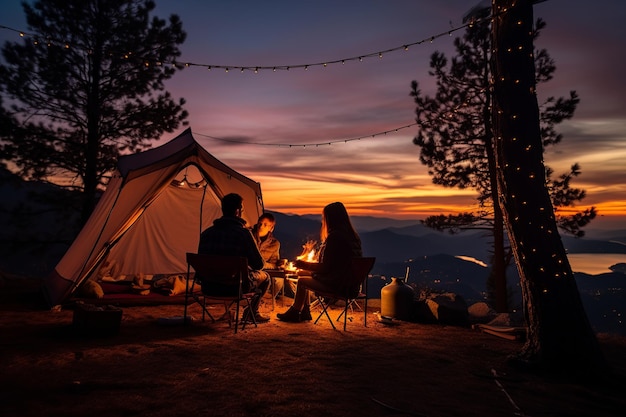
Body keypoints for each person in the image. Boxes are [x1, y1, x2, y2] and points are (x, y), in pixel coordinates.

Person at [276, 202, 362, 323]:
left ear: (331, 219)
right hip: (349, 283)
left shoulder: (335, 238)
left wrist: (303, 264)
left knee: (301, 280)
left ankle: (295, 312)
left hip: (339, 285)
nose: (323, 221)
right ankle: (305, 311)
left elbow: (325, 268)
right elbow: (334, 265)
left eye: (324, 218)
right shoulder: (352, 237)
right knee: (302, 273)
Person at [198, 193, 271, 323]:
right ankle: (251, 312)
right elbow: (259, 265)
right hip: (234, 288)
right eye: (242, 209)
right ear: (238, 211)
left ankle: (241, 312)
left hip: (209, 287)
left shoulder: (206, 234)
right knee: (265, 277)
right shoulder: (243, 234)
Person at [251, 213, 284, 298]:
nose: (261, 226)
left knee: (279, 280)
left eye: (265, 225)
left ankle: (267, 297)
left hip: (264, 270)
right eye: (260, 223)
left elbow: (274, 263)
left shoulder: (274, 244)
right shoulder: (248, 236)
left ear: (271, 228)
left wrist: (263, 264)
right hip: (248, 268)